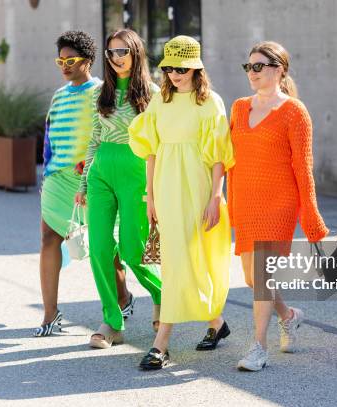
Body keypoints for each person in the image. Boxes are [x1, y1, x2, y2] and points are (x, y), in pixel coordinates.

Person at [128, 36, 235, 369]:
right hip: (166, 186)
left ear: (196, 68)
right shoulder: (160, 102)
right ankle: (212, 325)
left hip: (199, 187)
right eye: (170, 67)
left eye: (182, 67)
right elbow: (150, 151)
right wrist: (151, 196)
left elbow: (219, 156)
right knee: (176, 259)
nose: (175, 73)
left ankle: (164, 341)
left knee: (193, 257)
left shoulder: (211, 102)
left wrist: (216, 198)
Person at [227, 41, 329, 371]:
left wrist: (311, 218)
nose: (252, 73)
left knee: (261, 272)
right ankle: (289, 316)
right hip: (246, 202)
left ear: (279, 69)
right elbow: (230, 160)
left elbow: (303, 167)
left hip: (278, 204)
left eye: (259, 66)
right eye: (249, 67)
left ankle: (258, 347)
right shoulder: (240, 107)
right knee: (254, 278)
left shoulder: (295, 112)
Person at [35, 31, 129, 337]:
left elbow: (111, 133)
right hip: (57, 180)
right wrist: (47, 172)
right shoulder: (59, 95)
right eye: (60, 60)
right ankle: (50, 314)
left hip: (91, 178)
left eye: (71, 60)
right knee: (49, 236)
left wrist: (92, 169)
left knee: (104, 246)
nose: (64, 65)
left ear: (88, 61)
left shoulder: (103, 92)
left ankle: (123, 296)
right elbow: (49, 138)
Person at [75, 29, 162, 348]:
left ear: (136, 52)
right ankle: (112, 321)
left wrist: (156, 187)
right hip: (101, 176)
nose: (115, 58)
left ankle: (161, 294)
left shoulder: (152, 92)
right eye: (111, 53)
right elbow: (94, 137)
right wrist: (84, 182)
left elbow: (159, 142)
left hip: (136, 172)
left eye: (122, 51)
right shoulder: (103, 93)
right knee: (98, 248)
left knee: (132, 249)